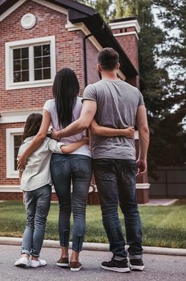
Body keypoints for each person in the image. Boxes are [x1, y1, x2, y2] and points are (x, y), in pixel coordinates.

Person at [17, 68, 134, 272]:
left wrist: (25, 154)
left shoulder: (49, 105)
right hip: (82, 158)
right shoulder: (84, 103)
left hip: (60, 160)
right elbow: (92, 128)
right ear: (75, 85)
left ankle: (62, 255)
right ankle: (74, 258)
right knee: (79, 211)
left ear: (55, 85)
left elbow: (41, 135)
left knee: (64, 207)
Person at [51, 48, 150, 273]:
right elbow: (143, 127)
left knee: (109, 209)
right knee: (131, 208)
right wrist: (142, 156)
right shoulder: (135, 92)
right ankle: (136, 257)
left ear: (98, 67)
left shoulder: (93, 89)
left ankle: (119, 258)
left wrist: (59, 133)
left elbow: (85, 122)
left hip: (104, 157)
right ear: (118, 66)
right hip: (126, 156)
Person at [14, 112, 88, 269]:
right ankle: (35, 258)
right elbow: (66, 149)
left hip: (27, 188)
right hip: (42, 188)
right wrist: (83, 141)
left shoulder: (23, 146)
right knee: (39, 222)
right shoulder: (47, 142)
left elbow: (21, 170)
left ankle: (24, 255)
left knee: (29, 222)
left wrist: (22, 190)